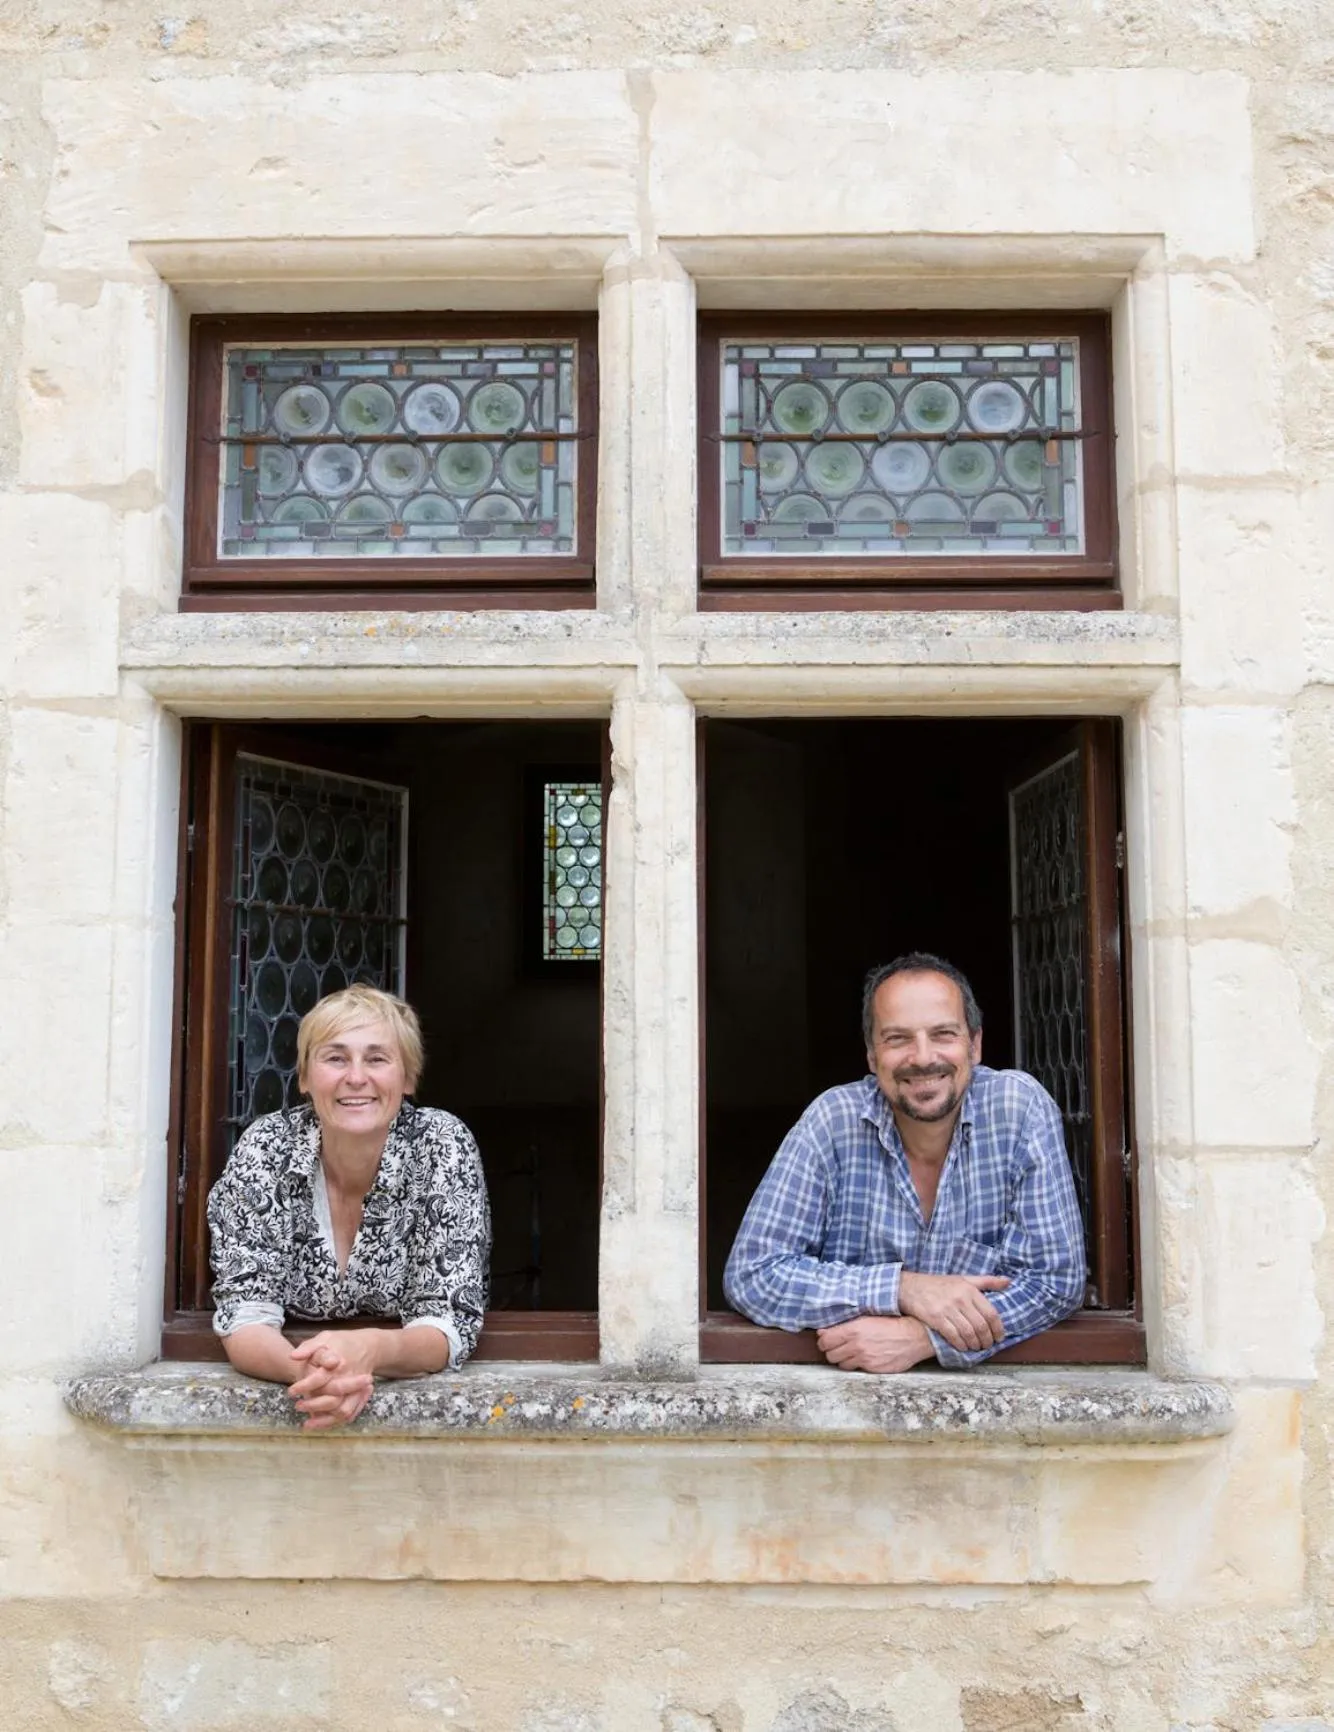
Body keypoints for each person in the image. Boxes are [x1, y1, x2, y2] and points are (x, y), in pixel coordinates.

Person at [723, 953, 1086, 1372]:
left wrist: (923, 1338)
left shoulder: (1018, 1109)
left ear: (975, 1045)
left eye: (943, 1034)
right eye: (898, 1039)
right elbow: (753, 1275)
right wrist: (902, 1289)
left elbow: (1055, 1281)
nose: (923, 1057)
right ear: (872, 1055)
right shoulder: (832, 1121)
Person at [207, 985, 491, 1429]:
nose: (356, 1077)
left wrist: (371, 1350)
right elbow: (243, 1314)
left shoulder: (441, 1145)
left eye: (377, 1059)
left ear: (408, 1078)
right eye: (336, 1058)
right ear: (305, 1077)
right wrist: (314, 1376)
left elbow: (448, 1324)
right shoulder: (267, 1147)